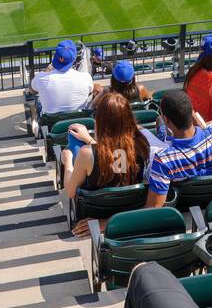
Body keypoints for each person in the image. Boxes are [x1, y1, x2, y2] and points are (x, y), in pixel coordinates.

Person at [61, 91, 151, 234]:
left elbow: (70, 192)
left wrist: (68, 163)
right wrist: (89, 140)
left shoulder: (86, 154)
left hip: (94, 217)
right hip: (129, 212)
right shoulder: (141, 145)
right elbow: (118, 161)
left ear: (100, 121)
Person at [146, 89, 212, 206]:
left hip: (186, 206)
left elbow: (153, 207)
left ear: (167, 119)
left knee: (160, 125)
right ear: (192, 112)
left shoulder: (163, 160)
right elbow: (204, 129)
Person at [28, 39, 94, 116]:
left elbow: (32, 90)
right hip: (78, 123)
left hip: (50, 124)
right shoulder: (85, 78)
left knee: (38, 99)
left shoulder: (41, 78)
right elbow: (90, 91)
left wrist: (46, 71)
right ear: (74, 58)